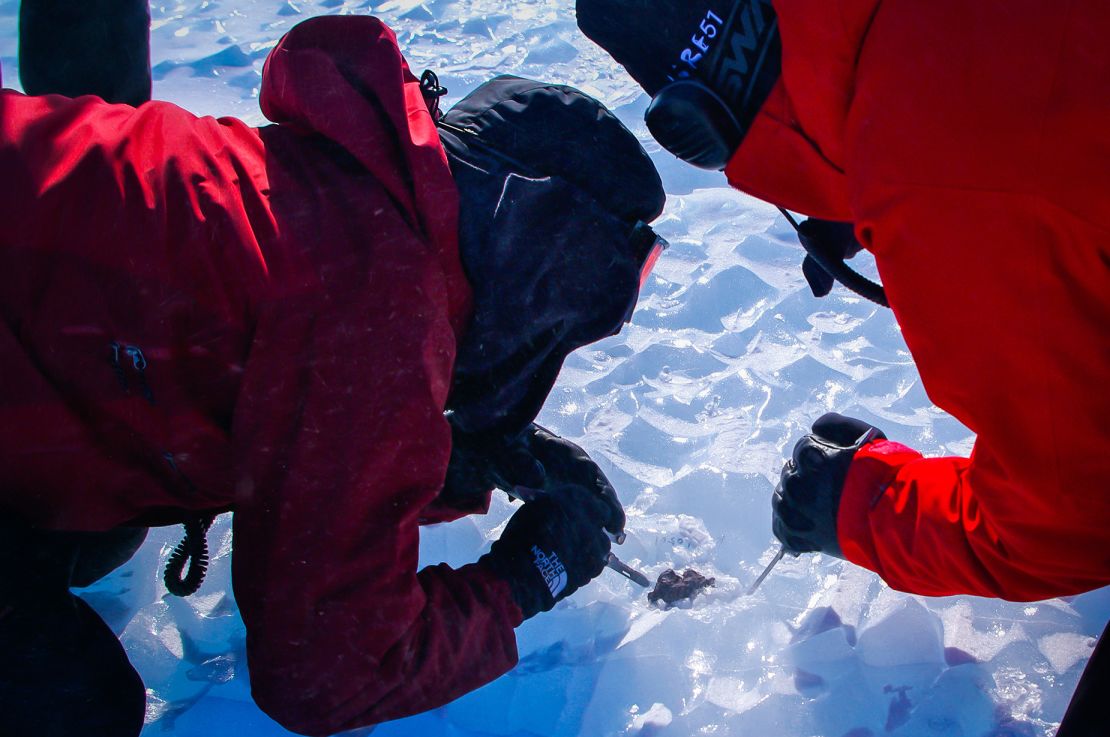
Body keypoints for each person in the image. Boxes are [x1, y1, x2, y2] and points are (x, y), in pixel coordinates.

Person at [0, 10, 668, 737]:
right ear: (541, 257)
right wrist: (522, 579)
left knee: (93, 537)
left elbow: (296, 426)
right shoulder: (378, 301)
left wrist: (457, 457)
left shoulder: (352, 191)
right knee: (69, 701)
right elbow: (325, 671)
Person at [577, 1, 1109, 732]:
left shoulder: (941, 182)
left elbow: (1073, 521)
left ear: (701, 112)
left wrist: (860, 504)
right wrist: (845, 173)